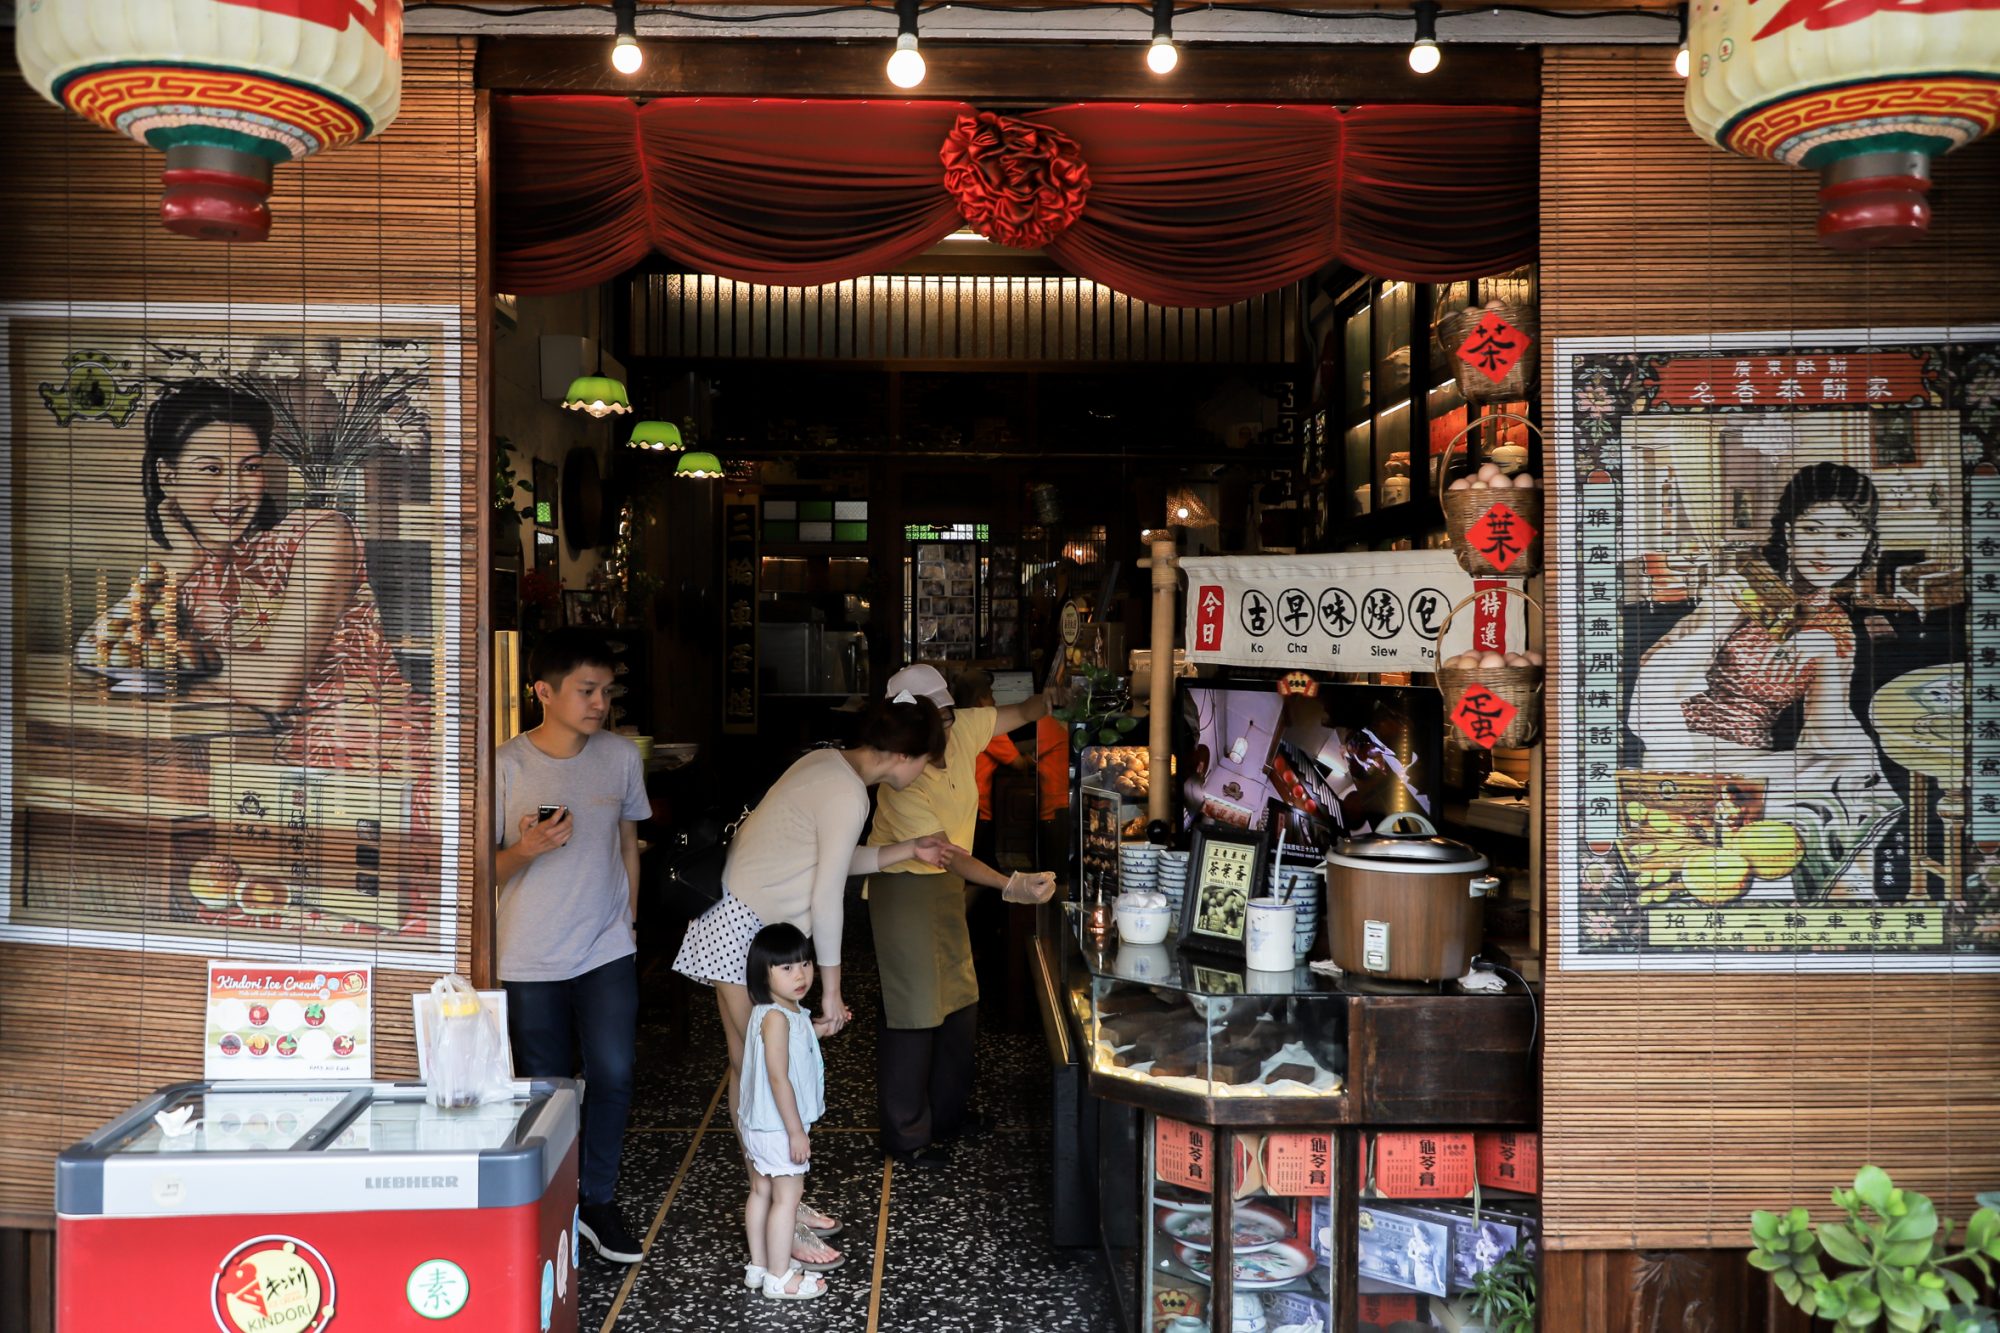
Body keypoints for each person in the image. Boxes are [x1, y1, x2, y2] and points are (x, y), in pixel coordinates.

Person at [673, 699, 960, 1269]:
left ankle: (783, 1195)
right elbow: (828, 892)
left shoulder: (830, 767)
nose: (922, 773)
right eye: (923, 762)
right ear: (900, 755)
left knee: (755, 1068)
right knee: (754, 1071)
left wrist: (909, 848)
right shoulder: (847, 793)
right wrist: (832, 988)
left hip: (750, 926)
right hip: (744, 931)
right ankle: (778, 1203)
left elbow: (825, 861)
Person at [132, 377, 429, 817]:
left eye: (249, 467)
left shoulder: (320, 536)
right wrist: (179, 565)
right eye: (212, 469)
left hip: (377, 775)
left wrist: (170, 664)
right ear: (167, 475)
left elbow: (274, 687)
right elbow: (109, 655)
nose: (236, 492)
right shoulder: (188, 574)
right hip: (270, 787)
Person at [1628, 461, 1900, 898]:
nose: (1826, 550)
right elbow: (1651, 696)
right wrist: (1717, 617)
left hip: (1750, 764)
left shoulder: (1835, 626)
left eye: (1845, 535)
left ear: (1866, 544)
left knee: (1858, 766)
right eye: (1813, 530)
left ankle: (1841, 892)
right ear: (1789, 532)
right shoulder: (1745, 587)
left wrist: (1826, 659)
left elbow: (1827, 736)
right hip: (1680, 743)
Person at [495, 628, 651, 1264]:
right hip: (529, 954)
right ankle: (553, 1205)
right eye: (586, 690)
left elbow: (626, 845)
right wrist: (524, 851)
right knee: (548, 1089)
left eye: (606, 691)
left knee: (614, 1073)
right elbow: (480, 875)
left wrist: (630, 925)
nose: (599, 703)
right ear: (544, 692)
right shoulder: (505, 766)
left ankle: (599, 1201)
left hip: (607, 945)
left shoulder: (620, 757)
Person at [866, 664, 1058, 1169]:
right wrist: (1008, 884)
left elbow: (1019, 712)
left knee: (958, 1004)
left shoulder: (961, 725)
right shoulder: (903, 779)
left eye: (950, 718)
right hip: (904, 888)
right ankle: (906, 1137)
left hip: (944, 889)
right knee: (914, 1013)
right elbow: (944, 853)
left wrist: (1051, 695)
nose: (949, 731)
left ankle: (947, 1116)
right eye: (939, 723)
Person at [738, 924, 831, 1301]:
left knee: (761, 1191)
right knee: (787, 1198)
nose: (801, 975)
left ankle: (759, 1267)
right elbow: (779, 1078)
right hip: (778, 1126)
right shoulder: (778, 1019)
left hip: (757, 1124)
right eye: (787, 968)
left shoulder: (772, 1012)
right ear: (763, 973)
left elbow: (795, 1040)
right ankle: (780, 1277)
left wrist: (820, 1030)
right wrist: (796, 1131)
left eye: (806, 964)